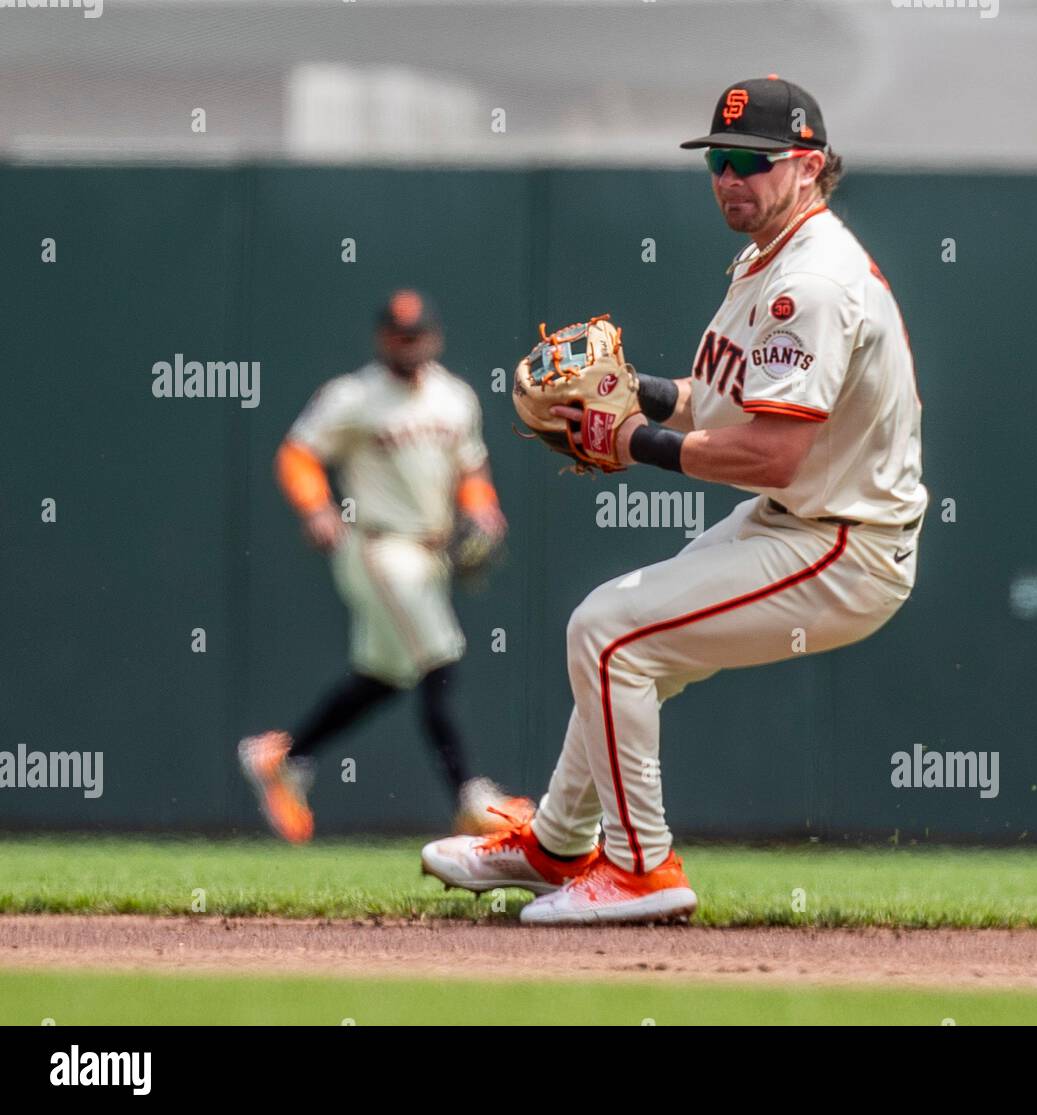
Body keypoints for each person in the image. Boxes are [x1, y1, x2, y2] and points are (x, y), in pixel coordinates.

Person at [422, 76, 927, 925]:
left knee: (609, 630)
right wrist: (641, 393)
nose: (730, 177)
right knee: (624, 649)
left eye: (750, 162)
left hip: (846, 543)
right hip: (803, 520)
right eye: (718, 161)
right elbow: (729, 402)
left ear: (807, 167)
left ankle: (643, 871)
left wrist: (629, 441)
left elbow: (772, 453)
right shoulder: (772, 253)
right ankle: (558, 843)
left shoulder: (814, 282)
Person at [239, 290, 529, 843]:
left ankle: (284, 758)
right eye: (398, 334)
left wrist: (483, 509)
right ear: (382, 339)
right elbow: (298, 453)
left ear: (435, 337)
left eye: (417, 333)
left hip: (432, 552)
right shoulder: (353, 396)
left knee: (386, 676)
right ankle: (471, 798)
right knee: (441, 658)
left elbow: (471, 470)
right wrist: (316, 507)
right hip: (376, 545)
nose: (408, 343)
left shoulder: (455, 398)